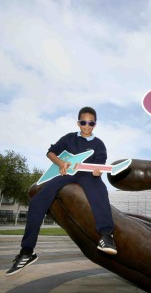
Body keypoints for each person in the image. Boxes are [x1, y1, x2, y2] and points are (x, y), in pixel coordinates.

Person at [6, 107, 116, 276]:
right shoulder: (68, 138)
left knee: (99, 191)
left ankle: (106, 235)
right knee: (37, 201)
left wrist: (97, 170)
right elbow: (50, 152)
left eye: (91, 123)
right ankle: (27, 251)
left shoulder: (99, 144)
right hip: (66, 174)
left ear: (95, 124)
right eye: (83, 122)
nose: (87, 126)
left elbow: (100, 164)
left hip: (88, 175)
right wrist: (60, 163)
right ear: (78, 122)